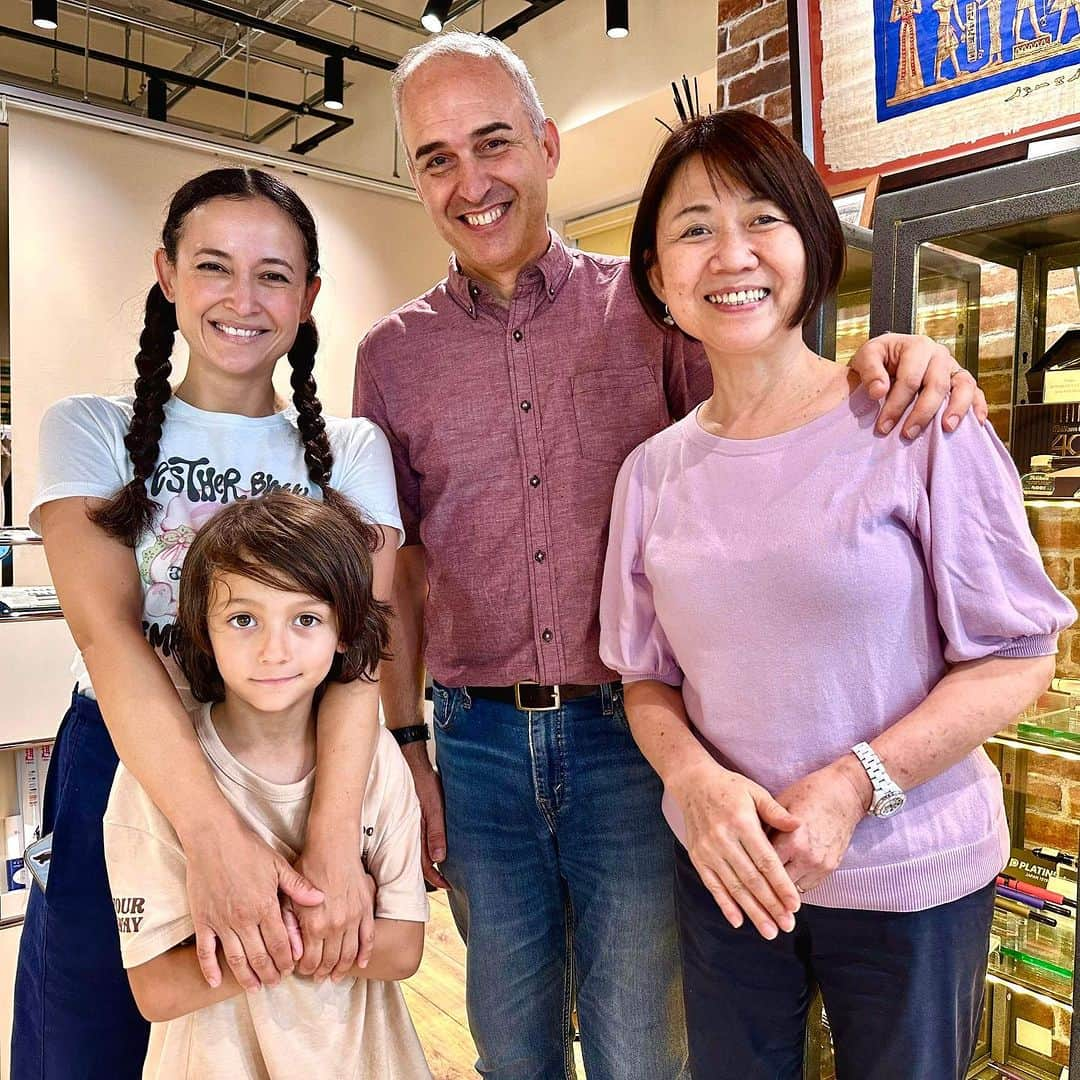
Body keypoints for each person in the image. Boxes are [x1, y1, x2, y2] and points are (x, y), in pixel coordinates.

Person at [355, 30, 987, 1080]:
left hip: (634, 735)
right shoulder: (390, 357)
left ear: (549, 145)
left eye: (494, 141)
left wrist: (897, 351)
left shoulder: (658, 308)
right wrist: (410, 746)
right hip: (475, 748)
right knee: (509, 1045)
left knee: (645, 1043)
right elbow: (400, 571)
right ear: (416, 179)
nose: (471, 181)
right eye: (435, 157)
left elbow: (771, 415)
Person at [599, 109, 1075, 1080]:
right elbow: (645, 681)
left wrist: (856, 786)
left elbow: (1020, 658)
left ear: (812, 244)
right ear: (657, 276)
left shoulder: (915, 420)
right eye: (693, 228)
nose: (730, 254)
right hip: (731, 879)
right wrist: (692, 783)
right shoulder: (650, 473)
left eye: (763, 217)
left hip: (913, 884)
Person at [14, 168, 402, 1078]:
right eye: (214, 266)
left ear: (309, 297)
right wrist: (212, 835)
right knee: (92, 1027)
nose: (243, 298)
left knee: (267, 1029)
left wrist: (336, 837)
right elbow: (109, 638)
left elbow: (359, 659)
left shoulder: (351, 451)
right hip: (123, 760)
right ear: (168, 275)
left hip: (300, 765)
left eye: (274, 275)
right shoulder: (89, 429)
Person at [103, 492, 430, 1079]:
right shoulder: (155, 779)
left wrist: (250, 936)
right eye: (243, 619)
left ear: (344, 634)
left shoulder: (376, 761)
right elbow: (156, 988)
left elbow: (403, 949)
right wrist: (324, 927)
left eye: (305, 619)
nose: (274, 650)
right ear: (202, 630)